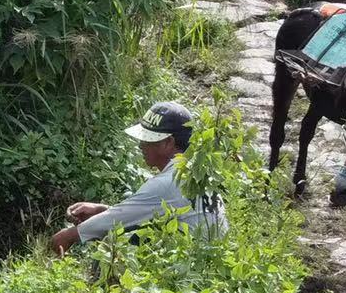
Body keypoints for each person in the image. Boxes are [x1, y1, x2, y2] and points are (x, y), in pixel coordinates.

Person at [51, 101, 225, 254]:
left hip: (193, 260)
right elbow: (143, 212)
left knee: (116, 244)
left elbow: (115, 222)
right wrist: (101, 210)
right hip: (209, 253)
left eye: (148, 140)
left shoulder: (167, 183)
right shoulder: (197, 168)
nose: (141, 145)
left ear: (168, 143)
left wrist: (68, 236)